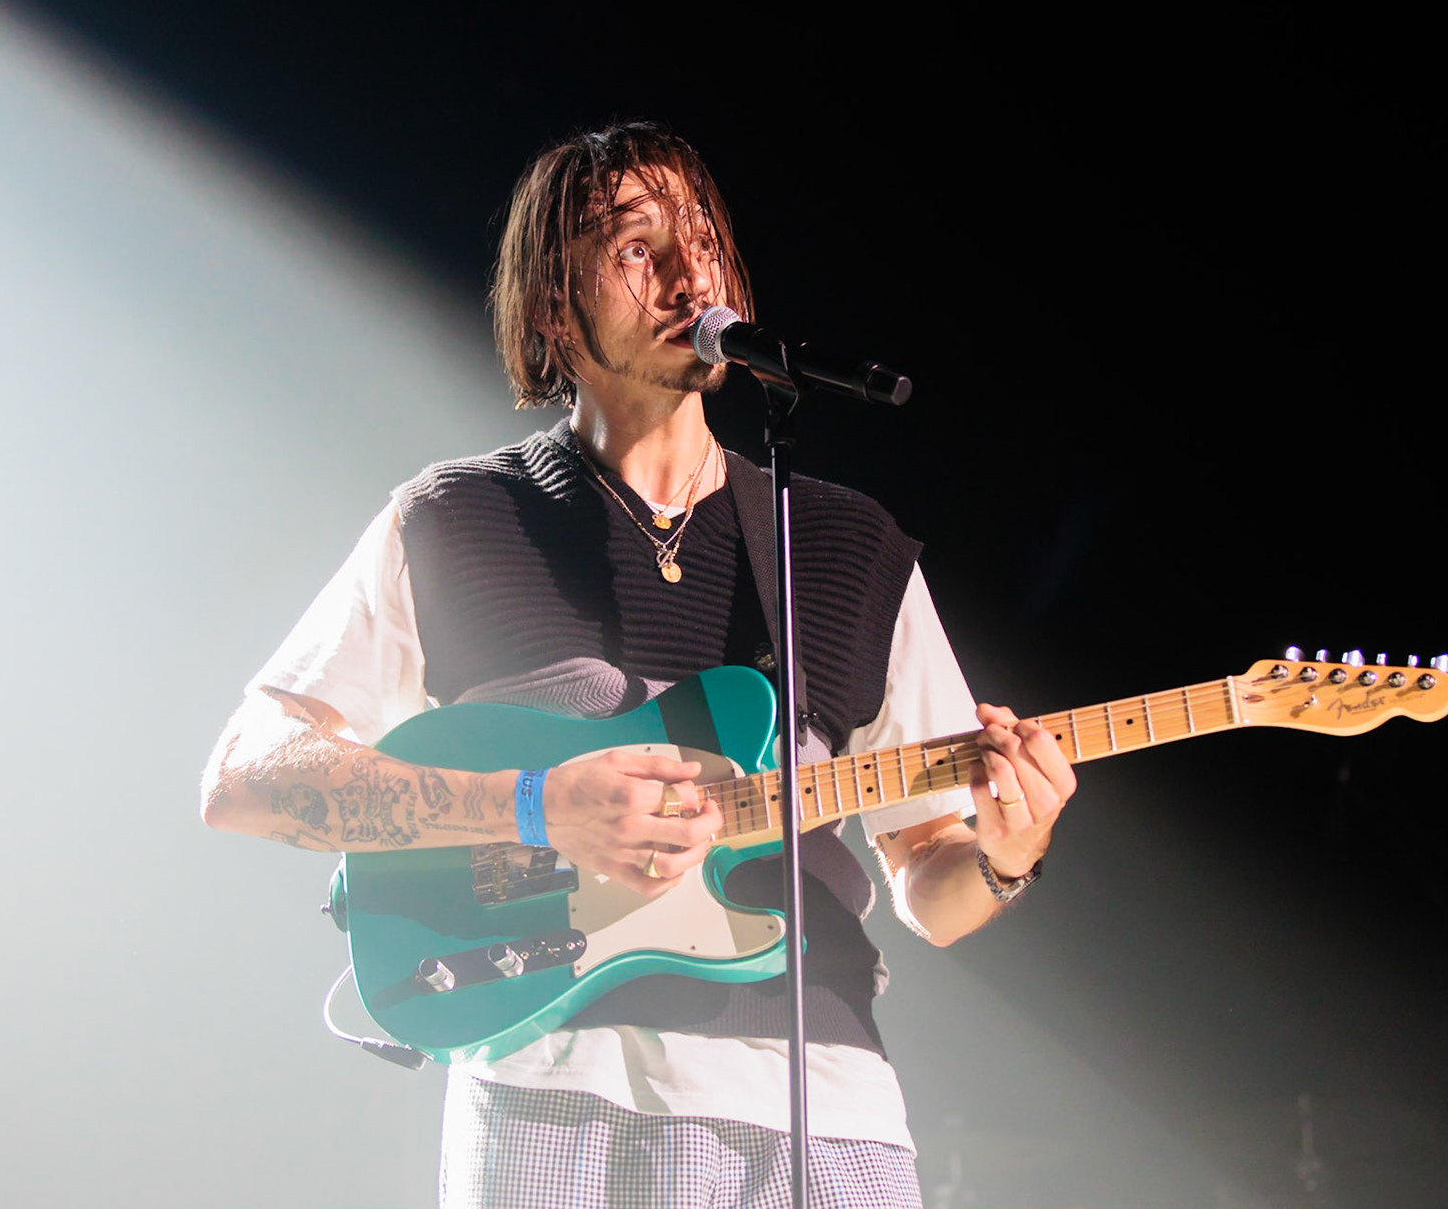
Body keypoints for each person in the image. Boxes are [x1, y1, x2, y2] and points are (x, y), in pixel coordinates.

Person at [200, 122, 1078, 1209]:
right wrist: (533, 802)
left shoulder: (846, 548)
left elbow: (932, 882)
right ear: (552, 308)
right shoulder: (457, 519)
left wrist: (1007, 847)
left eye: (702, 236)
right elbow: (247, 774)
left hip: (824, 1109)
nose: (688, 269)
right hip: (546, 1088)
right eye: (634, 243)